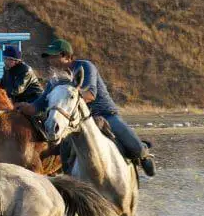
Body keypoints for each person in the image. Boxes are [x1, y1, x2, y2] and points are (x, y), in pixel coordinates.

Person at [17, 38, 155, 177]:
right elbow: (39, 105)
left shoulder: (85, 67)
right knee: (64, 154)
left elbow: (90, 95)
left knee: (135, 147)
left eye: (53, 56)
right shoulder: (54, 81)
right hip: (75, 123)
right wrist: (22, 108)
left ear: (66, 56)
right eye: (49, 57)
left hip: (105, 114)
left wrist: (70, 96)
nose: (50, 61)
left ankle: (143, 155)